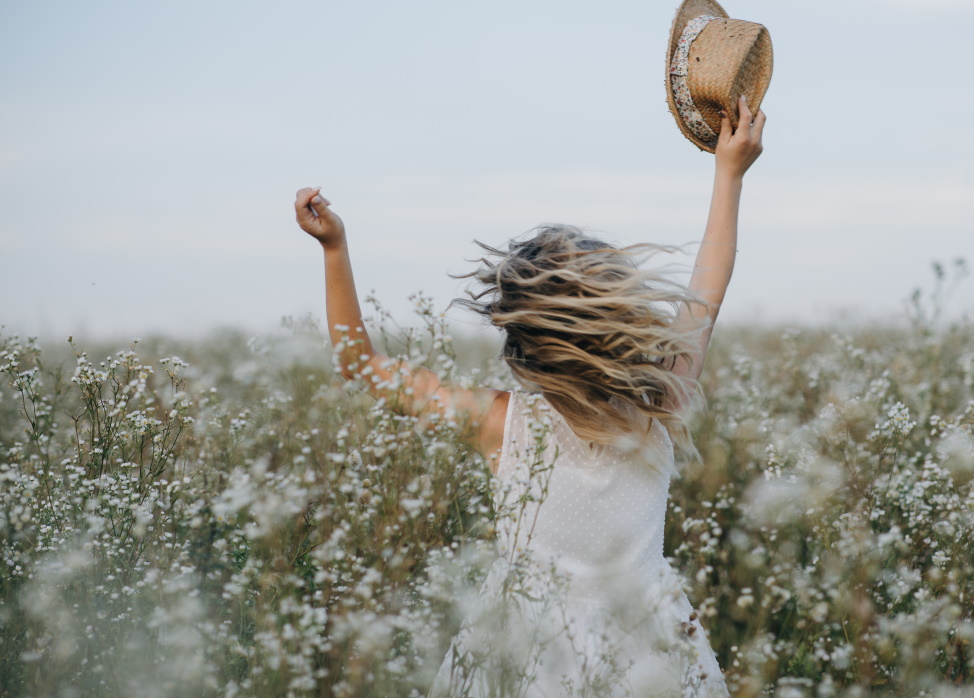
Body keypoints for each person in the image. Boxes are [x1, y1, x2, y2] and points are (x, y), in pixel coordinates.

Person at [294, 95, 765, 697]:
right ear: (621, 322)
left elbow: (360, 365)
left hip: (523, 653)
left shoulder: (501, 423)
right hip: (648, 651)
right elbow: (708, 281)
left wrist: (334, 248)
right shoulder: (660, 403)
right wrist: (728, 175)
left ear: (524, 345)